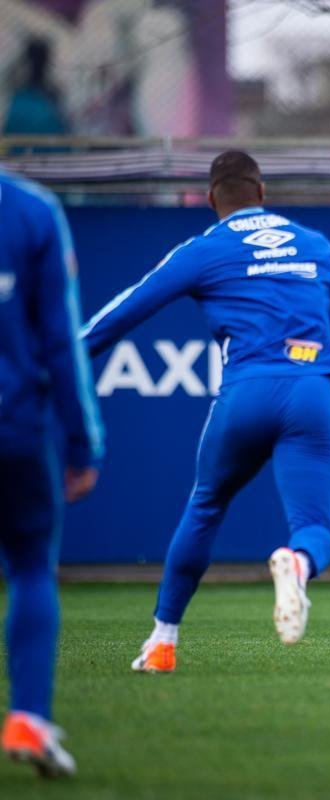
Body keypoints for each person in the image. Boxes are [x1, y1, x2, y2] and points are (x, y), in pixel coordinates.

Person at [80, 151, 330, 672]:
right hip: (312, 391)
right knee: (313, 529)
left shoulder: (205, 249)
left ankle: (162, 642)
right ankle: (296, 563)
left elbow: (124, 311)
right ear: (263, 192)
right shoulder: (315, 244)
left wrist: (60, 360)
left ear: (210, 200)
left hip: (246, 390)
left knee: (206, 505)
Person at [0, 169, 104, 778]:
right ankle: (28, 718)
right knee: (33, 567)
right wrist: (82, 443)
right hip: (15, 430)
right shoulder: (31, 212)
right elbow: (61, 340)